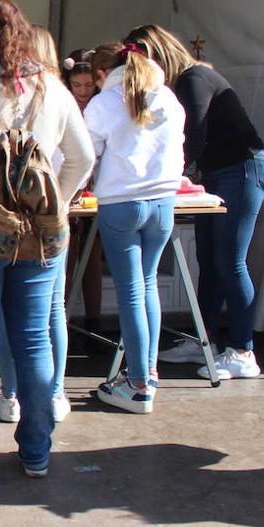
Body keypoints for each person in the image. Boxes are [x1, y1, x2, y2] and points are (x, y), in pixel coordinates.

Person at [0, 0, 93, 481]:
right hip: (41, 234)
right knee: (35, 343)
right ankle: (36, 452)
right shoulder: (52, 88)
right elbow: (83, 157)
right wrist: (59, 201)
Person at [129, 25, 264, 380]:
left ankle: (242, 350)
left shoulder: (194, 78)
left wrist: (170, 175)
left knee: (230, 260)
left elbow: (194, 133)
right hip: (219, 173)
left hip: (241, 170)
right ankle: (203, 338)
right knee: (208, 259)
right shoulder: (182, 83)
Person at [84, 43, 186, 412]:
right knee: (147, 286)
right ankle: (149, 374)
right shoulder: (167, 98)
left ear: (100, 75)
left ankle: (139, 385)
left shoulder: (105, 102)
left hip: (121, 203)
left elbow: (84, 153)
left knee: (131, 294)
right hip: (163, 202)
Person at [0, 25, 76, 424]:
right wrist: (59, 199)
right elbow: (84, 157)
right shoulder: (58, 96)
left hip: (2, 221)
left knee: (7, 321)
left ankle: (11, 395)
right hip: (47, 225)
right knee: (46, 320)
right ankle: (53, 396)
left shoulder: (1, 93)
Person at [62, 48, 105, 339]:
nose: (83, 91)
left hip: (97, 192)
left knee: (93, 259)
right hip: (73, 191)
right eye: (77, 85)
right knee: (69, 255)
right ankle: (62, 319)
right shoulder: (66, 107)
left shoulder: (102, 107)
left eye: (88, 85)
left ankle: (94, 321)